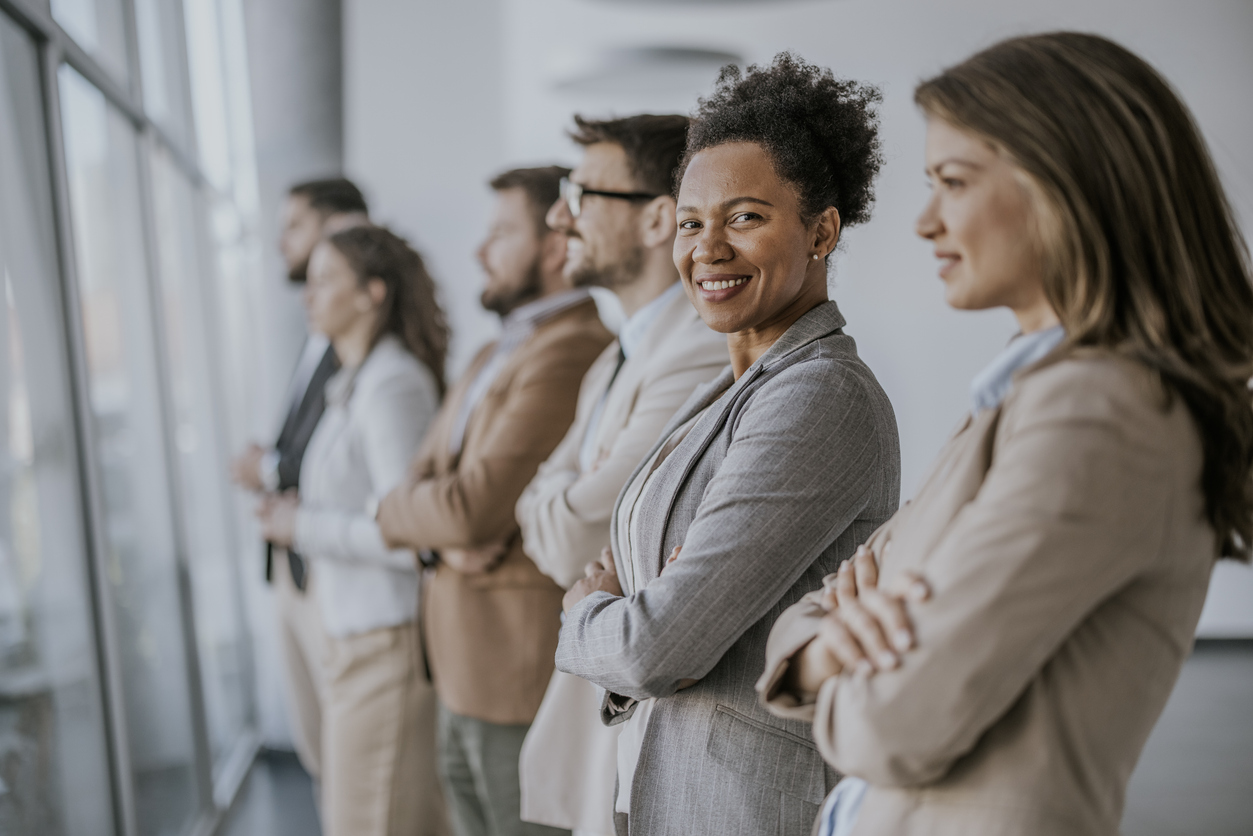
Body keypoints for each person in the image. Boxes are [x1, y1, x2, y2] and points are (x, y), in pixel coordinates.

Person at [758, 32, 1253, 836]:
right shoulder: (1021, 397)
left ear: (1070, 188)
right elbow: (816, 608)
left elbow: (899, 724)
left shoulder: (1101, 414)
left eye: (952, 182)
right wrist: (825, 645)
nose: (923, 221)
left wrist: (825, 661)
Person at [555, 54, 900, 835]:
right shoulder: (732, 387)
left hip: (748, 808)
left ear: (822, 231)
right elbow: (663, 631)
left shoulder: (818, 394)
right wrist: (644, 611)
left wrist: (586, 612)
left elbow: (658, 645)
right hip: (663, 791)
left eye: (743, 217)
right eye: (688, 221)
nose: (705, 248)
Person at [508, 114, 728, 836]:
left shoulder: (699, 352)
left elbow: (573, 533)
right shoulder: (614, 358)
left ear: (656, 219)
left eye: (580, 192)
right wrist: (561, 495)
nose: (556, 214)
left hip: (644, 728)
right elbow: (543, 506)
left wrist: (563, 494)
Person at [377, 166, 614, 836]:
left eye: (500, 232)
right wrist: (437, 534)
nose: (480, 251)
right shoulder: (490, 353)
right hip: (454, 666)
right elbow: (415, 485)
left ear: (551, 244)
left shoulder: (572, 349)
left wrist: (434, 518)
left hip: (515, 678)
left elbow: (472, 506)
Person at [256, 225, 450, 835]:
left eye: (322, 281)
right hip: (355, 640)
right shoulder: (360, 379)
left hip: (383, 645)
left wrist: (300, 525)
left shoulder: (392, 383)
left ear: (371, 293)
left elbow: (412, 539)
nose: (307, 297)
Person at [229, 176, 369, 786]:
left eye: (294, 226)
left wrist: (265, 469)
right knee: (320, 751)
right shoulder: (319, 325)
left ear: (334, 223)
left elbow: (337, 454)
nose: (283, 242)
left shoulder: (360, 326)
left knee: (345, 760)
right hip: (296, 556)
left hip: (332, 562)